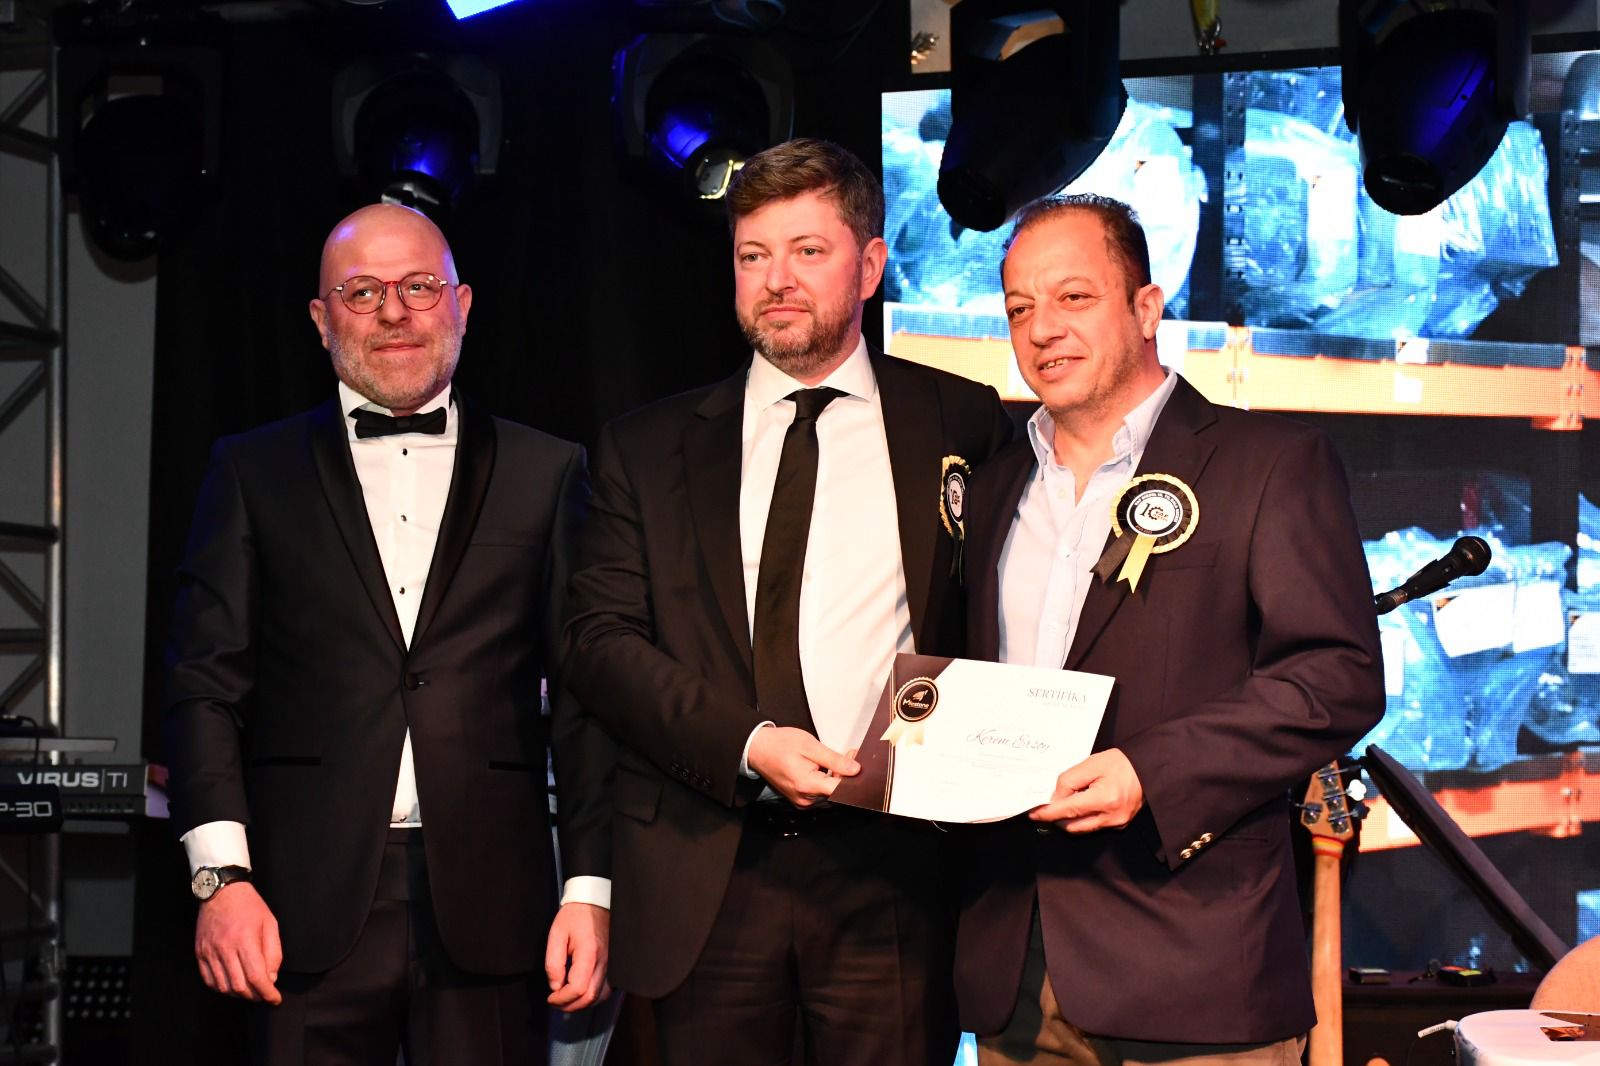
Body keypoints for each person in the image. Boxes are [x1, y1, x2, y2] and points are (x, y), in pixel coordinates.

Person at [561, 137, 1014, 1066]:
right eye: (753, 254)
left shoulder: (962, 420)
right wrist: (748, 742)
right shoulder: (646, 447)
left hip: (895, 872)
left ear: (871, 266)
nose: (776, 280)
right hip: (704, 865)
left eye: (808, 250)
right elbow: (598, 642)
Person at [163, 203, 612, 1066]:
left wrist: (590, 889)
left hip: (495, 904)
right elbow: (202, 687)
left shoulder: (548, 470)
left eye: (419, 287)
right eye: (363, 291)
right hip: (293, 907)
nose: (395, 311)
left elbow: (586, 701)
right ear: (321, 319)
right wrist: (221, 878)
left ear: (463, 304)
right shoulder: (251, 471)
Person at [955, 193, 1385, 1066]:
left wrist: (1150, 773)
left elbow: (1335, 676)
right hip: (1017, 975)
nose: (1043, 329)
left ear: (1147, 308)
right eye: (1020, 308)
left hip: (1196, 968)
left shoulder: (1268, 465)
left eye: (1074, 297)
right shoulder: (991, 485)